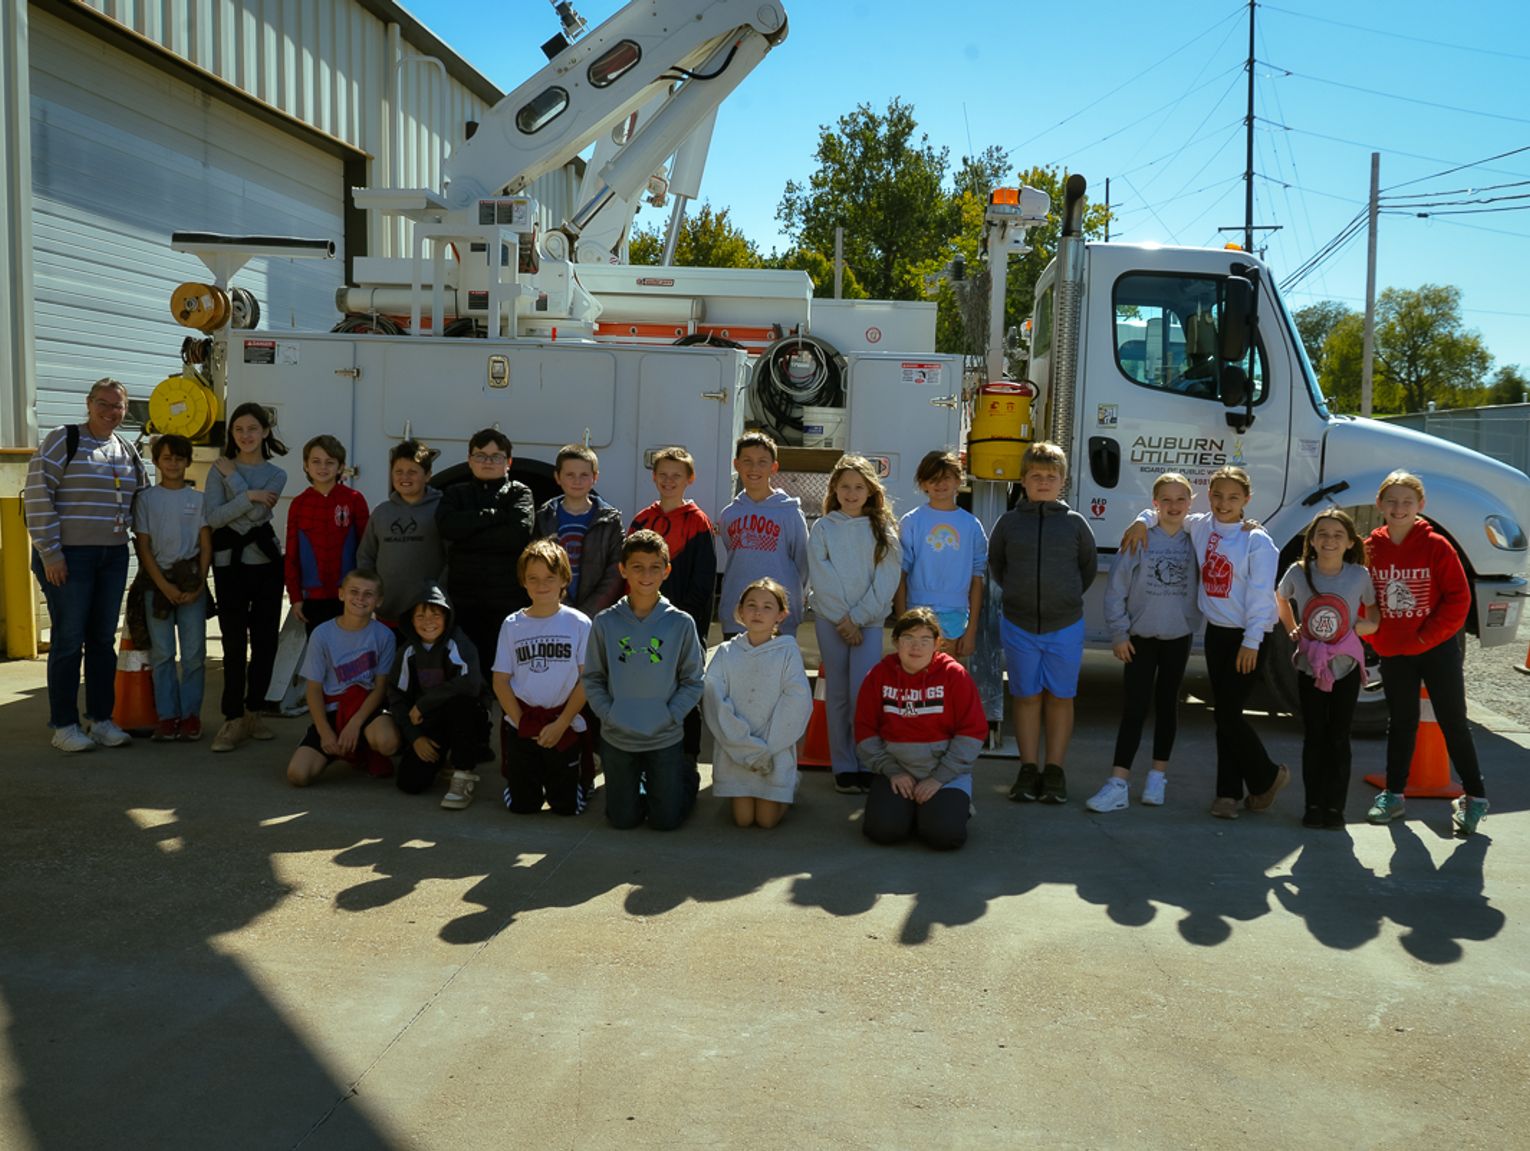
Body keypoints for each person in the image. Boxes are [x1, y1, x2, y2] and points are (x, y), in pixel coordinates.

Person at [1124, 465, 1285, 819]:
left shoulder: (1257, 541)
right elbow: (1165, 509)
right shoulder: (1200, 526)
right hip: (1217, 634)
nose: (1224, 503)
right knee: (1226, 716)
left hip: (1249, 637)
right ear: (1208, 495)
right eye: (1217, 495)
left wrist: (1252, 641)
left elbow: (1261, 597)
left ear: (1247, 499)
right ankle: (1227, 795)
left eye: (1233, 497)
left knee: (1228, 715)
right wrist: (1139, 520)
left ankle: (1268, 775)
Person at [1362, 470, 1489, 836]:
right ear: (1379, 505)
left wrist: (1425, 638)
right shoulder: (1371, 548)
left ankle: (1475, 796)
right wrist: (1378, 640)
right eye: (1392, 501)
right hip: (1394, 650)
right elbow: (1363, 601)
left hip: (1436, 651)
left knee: (1453, 721)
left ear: (1421, 506)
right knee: (1401, 723)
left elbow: (1458, 600)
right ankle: (1394, 794)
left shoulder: (1437, 546)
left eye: (1407, 502)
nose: (1399, 508)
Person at [23, 377, 147, 752]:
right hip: (70, 558)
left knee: (101, 641)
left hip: (112, 556)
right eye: (104, 404)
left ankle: (101, 720)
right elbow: (37, 493)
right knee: (67, 640)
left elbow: (142, 498)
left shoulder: (125, 449)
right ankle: (63, 725)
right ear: (89, 403)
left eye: (118, 406)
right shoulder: (64, 439)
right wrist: (51, 554)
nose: (111, 412)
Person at [987, 441, 1097, 805]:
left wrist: (1061, 599)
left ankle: (1054, 771)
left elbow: (1087, 569)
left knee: (1061, 698)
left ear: (1062, 481)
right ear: (1023, 480)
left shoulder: (1075, 525)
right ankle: (1028, 767)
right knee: (1026, 697)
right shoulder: (1008, 523)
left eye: (1051, 476)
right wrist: (1021, 597)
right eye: (1036, 476)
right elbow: (998, 566)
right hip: (1019, 625)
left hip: (1064, 625)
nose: (1044, 481)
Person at [1085, 472, 1200, 813]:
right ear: (1155, 503)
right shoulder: (1139, 538)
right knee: (1134, 708)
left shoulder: (1197, 538)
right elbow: (1116, 590)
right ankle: (1118, 782)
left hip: (1178, 637)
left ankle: (1156, 777)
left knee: (1168, 705)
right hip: (1139, 639)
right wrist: (1119, 634)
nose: (1174, 505)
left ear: (1190, 504)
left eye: (1181, 499)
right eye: (1166, 499)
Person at [582, 530, 706, 830]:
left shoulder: (680, 622)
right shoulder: (605, 622)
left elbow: (693, 680)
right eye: (637, 566)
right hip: (618, 735)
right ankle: (639, 782)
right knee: (622, 820)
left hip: (664, 735)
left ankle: (684, 774)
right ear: (623, 569)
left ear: (666, 570)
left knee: (665, 821)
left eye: (654, 567)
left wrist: (670, 715)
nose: (646, 575)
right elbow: (593, 677)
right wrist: (610, 714)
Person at [1276, 509, 1378, 829]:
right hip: (1310, 667)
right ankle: (1313, 804)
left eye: (1337, 535)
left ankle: (1335, 808)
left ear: (1349, 542)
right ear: (1312, 540)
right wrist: (1292, 627)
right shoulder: (1298, 571)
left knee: (1339, 737)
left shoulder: (1359, 575)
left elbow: (1373, 616)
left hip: (1345, 668)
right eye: (1322, 533)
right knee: (1314, 737)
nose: (1329, 540)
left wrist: (1359, 629)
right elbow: (1280, 599)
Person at [808, 453, 902, 795]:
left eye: (858, 487)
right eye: (844, 486)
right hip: (830, 621)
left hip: (869, 624)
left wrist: (858, 618)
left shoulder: (883, 530)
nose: (851, 493)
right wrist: (843, 620)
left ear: (870, 490)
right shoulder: (822, 528)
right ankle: (844, 766)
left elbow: (887, 579)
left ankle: (866, 762)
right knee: (837, 695)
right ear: (834, 489)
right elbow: (823, 576)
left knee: (863, 694)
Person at [856, 609, 988, 851]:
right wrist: (892, 770)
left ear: (938, 644)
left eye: (925, 640)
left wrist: (939, 778)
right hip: (897, 772)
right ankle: (908, 809)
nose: (916, 647)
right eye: (908, 638)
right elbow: (864, 731)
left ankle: (946, 807)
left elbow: (972, 731)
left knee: (944, 836)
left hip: (944, 773)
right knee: (882, 831)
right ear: (896, 641)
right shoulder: (878, 675)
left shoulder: (955, 676)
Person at [203, 401, 289, 752]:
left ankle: (254, 711)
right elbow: (214, 516)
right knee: (233, 642)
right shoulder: (217, 468)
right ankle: (232, 717)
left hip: (266, 566)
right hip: (229, 566)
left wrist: (237, 484)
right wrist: (249, 495)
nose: (246, 435)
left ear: (265, 432)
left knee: (266, 641)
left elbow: (254, 516)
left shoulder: (276, 474)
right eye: (239, 429)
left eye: (253, 429)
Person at [629, 446, 719, 767]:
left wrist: (677, 622)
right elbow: (628, 574)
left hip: (685, 627)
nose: (669, 481)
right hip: (643, 624)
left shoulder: (699, 523)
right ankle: (646, 755)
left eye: (676, 476)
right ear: (654, 477)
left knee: (684, 691)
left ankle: (687, 759)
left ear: (689, 479)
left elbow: (704, 584)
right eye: (663, 475)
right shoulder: (642, 519)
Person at [492, 539, 593, 817]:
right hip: (522, 721)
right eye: (533, 578)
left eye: (550, 577)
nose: (541, 585)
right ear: (523, 582)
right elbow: (500, 681)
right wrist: (523, 722)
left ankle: (579, 781)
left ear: (564, 579)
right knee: (524, 807)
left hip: (564, 721)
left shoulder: (579, 623)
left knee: (566, 808)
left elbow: (588, 680)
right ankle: (519, 783)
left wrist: (561, 723)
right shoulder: (513, 624)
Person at [703, 578, 813, 829]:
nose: (758, 612)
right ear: (740, 611)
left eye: (767, 606)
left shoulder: (787, 651)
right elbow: (715, 700)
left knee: (766, 821)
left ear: (781, 615)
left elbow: (797, 700)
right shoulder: (726, 653)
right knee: (743, 820)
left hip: (773, 752)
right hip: (737, 751)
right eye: (751, 605)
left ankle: (789, 783)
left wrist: (767, 747)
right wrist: (745, 746)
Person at [436, 429, 536, 686]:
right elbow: (448, 527)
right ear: (469, 460)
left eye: (496, 456)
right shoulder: (455, 493)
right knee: (468, 671)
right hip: (464, 601)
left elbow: (517, 535)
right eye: (481, 455)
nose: (488, 462)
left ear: (508, 462)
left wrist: (468, 536)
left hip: (507, 600)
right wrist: (494, 515)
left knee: (506, 670)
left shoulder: (519, 493)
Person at [131, 434, 212, 742]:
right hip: (157, 584)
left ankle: (191, 715)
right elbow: (144, 547)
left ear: (188, 462)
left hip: (192, 584)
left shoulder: (199, 499)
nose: (173, 464)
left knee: (194, 654)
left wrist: (200, 583)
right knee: (163, 653)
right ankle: (167, 717)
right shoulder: (147, 499)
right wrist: (163, 585)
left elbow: (205, 544)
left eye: (179, 458)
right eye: (167, 458)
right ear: (156, 461)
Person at [286, 569, 400, 787]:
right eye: (354, 591)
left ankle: (364, 747)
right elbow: (314, 689)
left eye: (369, 594)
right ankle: (339, 748)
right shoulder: (322, 634)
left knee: (388, 742)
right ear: (341, 594)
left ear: (379, 601)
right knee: (298, 775)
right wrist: (325, 732)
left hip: (365, 708)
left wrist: (355, 724)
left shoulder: (384, 635)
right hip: (332, 710)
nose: (360, 598)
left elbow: (380, 688)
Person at [388, 581, 486, 808]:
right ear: (411, 620)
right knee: (409, 783)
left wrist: (423, 704)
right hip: (431, 723)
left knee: (462, 704)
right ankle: (443, 759)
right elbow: (397, 697)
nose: (428, 622)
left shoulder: (458, 642)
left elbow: (470, 683)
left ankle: (463, 773)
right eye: (420, 616)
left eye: (435, 614)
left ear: (447, 616)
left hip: (466, 719)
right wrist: (415, 738)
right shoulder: (408, 652)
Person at [894, 450, 987, 657]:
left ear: (958, 480)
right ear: (923, 484)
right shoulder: (912, 521)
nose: (939, 484)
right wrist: (901, 622)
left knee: (945, 681)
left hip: (955, 614)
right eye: (932, 479)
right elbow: (900, 576)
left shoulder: (971, 525)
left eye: (946, 478)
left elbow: (977, 579)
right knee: (916, 678)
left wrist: (970, 631)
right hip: (916, 612)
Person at [718, 431, 809, 640]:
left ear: (773, 467)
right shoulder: (730, 514)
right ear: (736, 464)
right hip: (737, 617)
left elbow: (803, 563)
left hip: (778, 620)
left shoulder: (790, 513)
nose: (754, 468)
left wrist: (794, 599)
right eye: (747, 461)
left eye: (762, 462)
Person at [285, 434, 369, 635]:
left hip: (349, 597)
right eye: (316, 461)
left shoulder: (354, 500)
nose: (323, 467)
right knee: (319, 655)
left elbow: (366, 550)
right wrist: (295, 597)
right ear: (306, 465)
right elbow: (291, 555)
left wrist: (365, 593)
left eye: (329, 462)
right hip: (313, 598)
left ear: (340, 467)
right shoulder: (299, 504)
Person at [357, 439, 445, 629]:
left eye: (413, 472)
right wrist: (372, 594)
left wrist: (439, 594)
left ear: (428, 475)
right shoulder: (381, 512)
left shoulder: (441, 510)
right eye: (399, 471)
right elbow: (366, 557)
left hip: (428, 615)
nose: (405, 477)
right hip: (387, 611)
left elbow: (451, 558)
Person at [534, 444, 625, 619]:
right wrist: (562, 608)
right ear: (557, 477)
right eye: (570, 475)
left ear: (595, 477)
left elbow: (615, 572)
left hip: (596, 616)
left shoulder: (609, 520)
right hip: (555, 612)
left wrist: (588, 612)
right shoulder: (544, 518)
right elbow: (537, 567)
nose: (577, 481)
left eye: (584, 475)